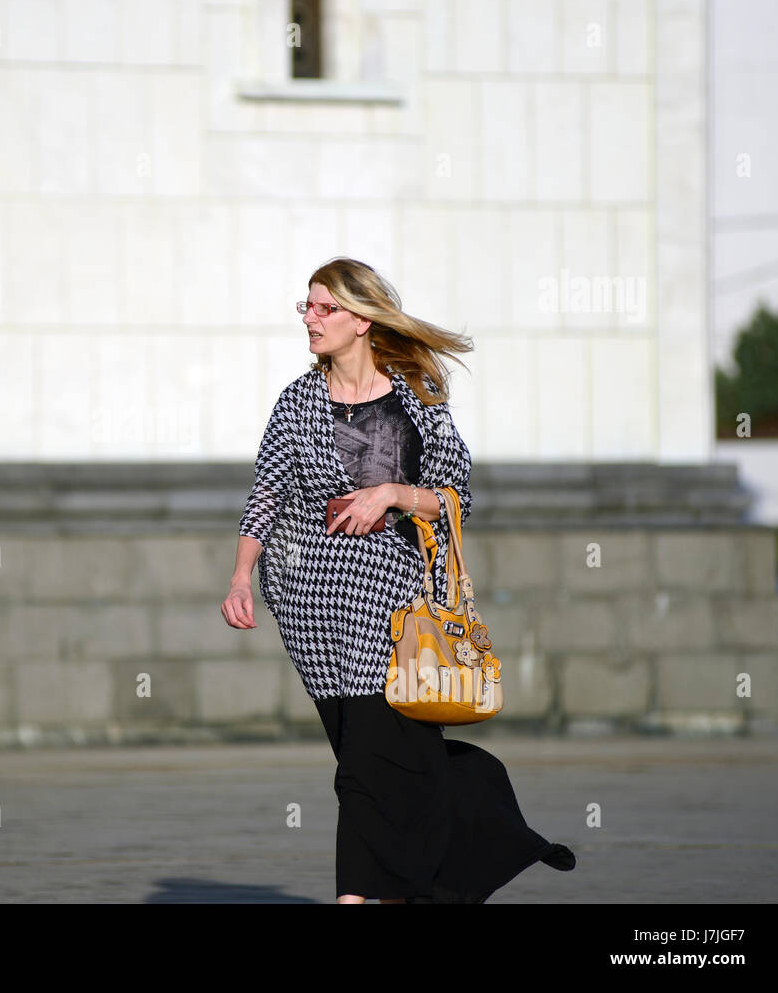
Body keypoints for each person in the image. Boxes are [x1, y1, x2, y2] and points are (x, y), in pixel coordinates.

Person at [220, 258, 576, 904]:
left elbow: (456, 499)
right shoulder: (298, 400)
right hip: (308, 602)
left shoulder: (417, 398)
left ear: (361, 319)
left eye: (324, 308)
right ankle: (474, 844)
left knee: (365, 766)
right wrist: (242, 576)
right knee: (384, 759)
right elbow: (266, 493)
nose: (310, 318)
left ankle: (355, 897)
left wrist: (391, 493)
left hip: (392, 599)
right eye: (306, 306)